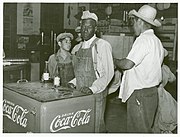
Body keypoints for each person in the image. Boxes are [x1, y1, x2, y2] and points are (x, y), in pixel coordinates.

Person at [114, 5, 165, 133]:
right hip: (152, 93)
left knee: (137, 130)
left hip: (140, 94)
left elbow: (127, 64)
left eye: (134, 22)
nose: (133, 26)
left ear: (140, 22)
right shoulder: (156, 41)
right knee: (145, 129)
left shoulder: (143, 40)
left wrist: (114, 61)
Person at [69, 10, 114, 132]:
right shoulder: (78, 47)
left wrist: (92, 89)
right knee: (81, 127)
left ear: (95, 29)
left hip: (96, 95)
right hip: (79, 94)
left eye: (89, 27)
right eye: (83, 26)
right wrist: (73, 83)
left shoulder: (102, 45)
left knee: (96, 127)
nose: (85, 30)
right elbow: (80, 72)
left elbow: (107, 74)